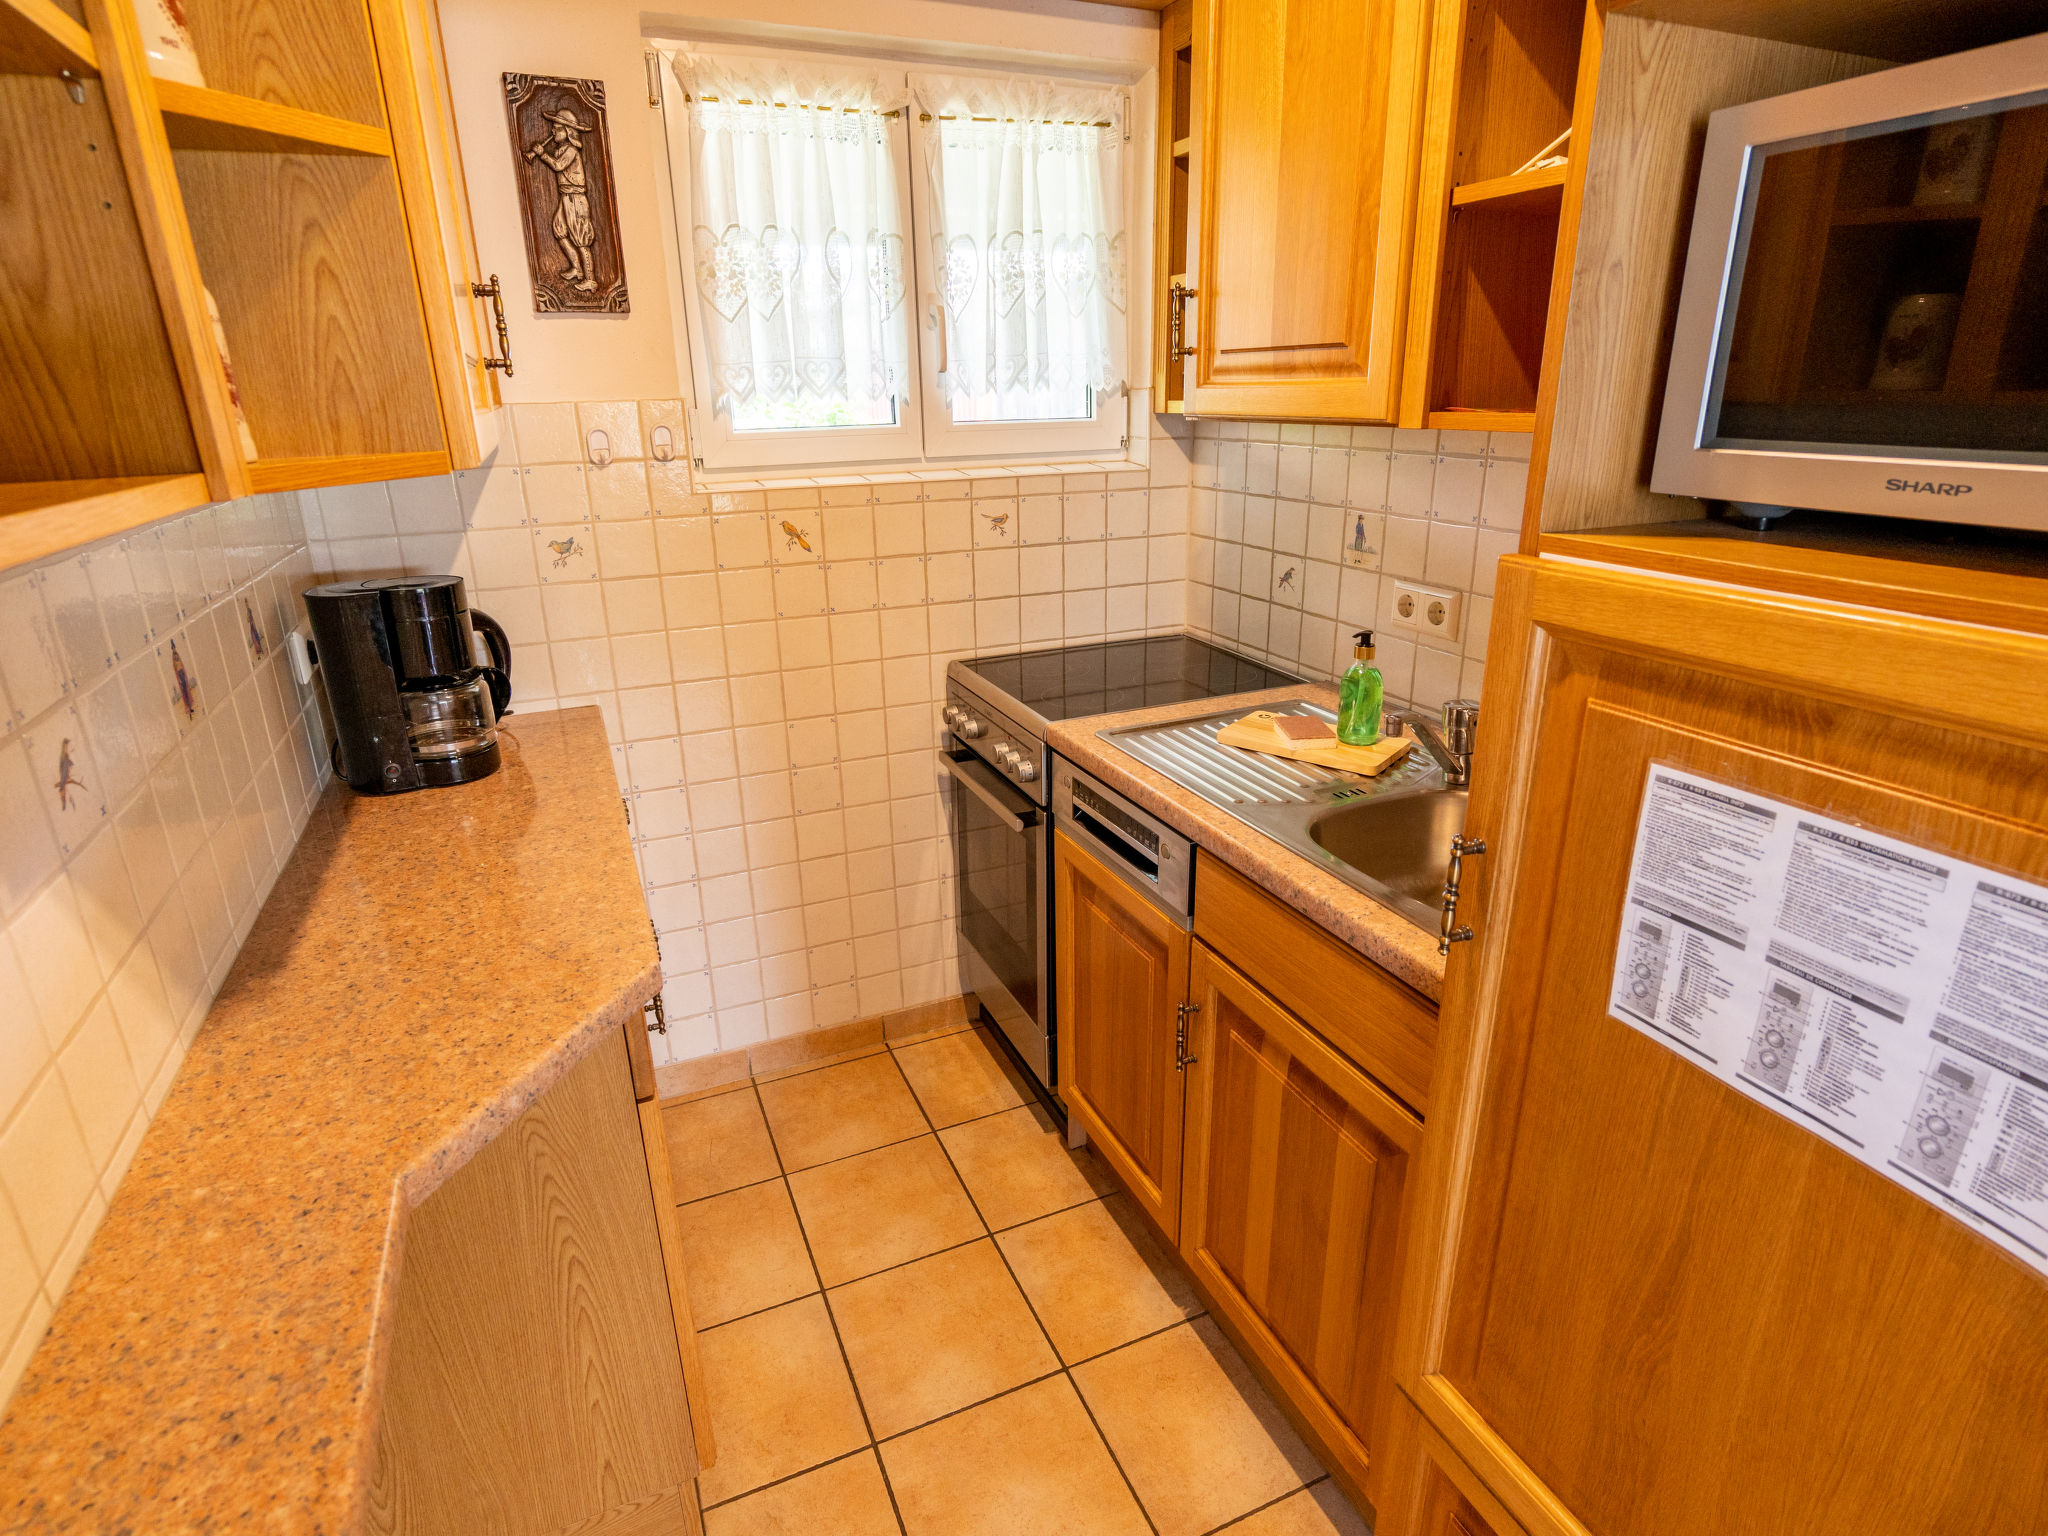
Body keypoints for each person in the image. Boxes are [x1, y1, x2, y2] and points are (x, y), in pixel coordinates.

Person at [526, 106, 600, 294]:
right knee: (559, 230)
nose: (553, 131)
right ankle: (577, 268)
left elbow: (558, 166)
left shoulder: (571, 150)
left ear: (568, 132)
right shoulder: (561, 148)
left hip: (576, 198)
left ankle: (590, 279)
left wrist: (542, 154)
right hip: (565, 195)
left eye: (557, 128)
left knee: (580, 237)